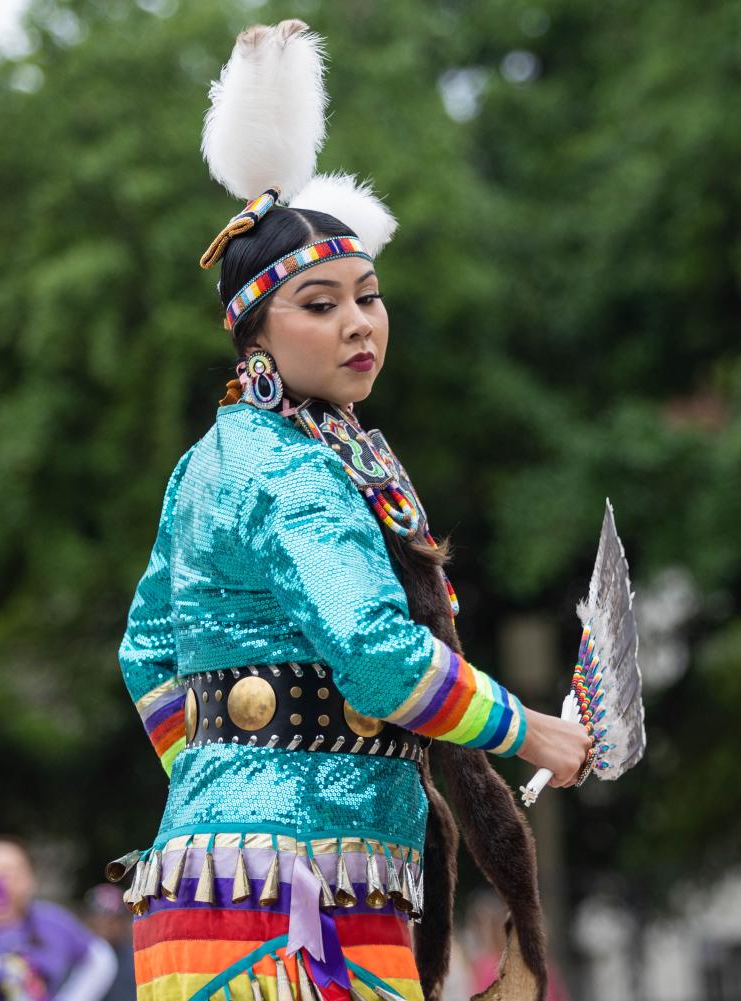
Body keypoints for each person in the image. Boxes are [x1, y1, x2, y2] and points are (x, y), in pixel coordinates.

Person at [109, 21, 591, 1001]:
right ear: (254, 329)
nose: (358, 322)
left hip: (240, 882)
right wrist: (529, 729)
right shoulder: (292, 470)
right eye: (319, 304)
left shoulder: (227, 455)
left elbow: (144, 648)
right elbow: (376, 652)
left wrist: (215, 775)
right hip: (292, 896)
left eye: (366, 296)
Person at [0, 836, 116, 1001]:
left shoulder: (52, 922)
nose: (2, 881)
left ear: (30, 878)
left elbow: (100, 958)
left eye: (11, 872)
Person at [81, 884, 134, 1001]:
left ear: (123, 923)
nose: (103, 925)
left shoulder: (136, 961)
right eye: (98, 918)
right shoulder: (77, 957)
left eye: (112, 920)